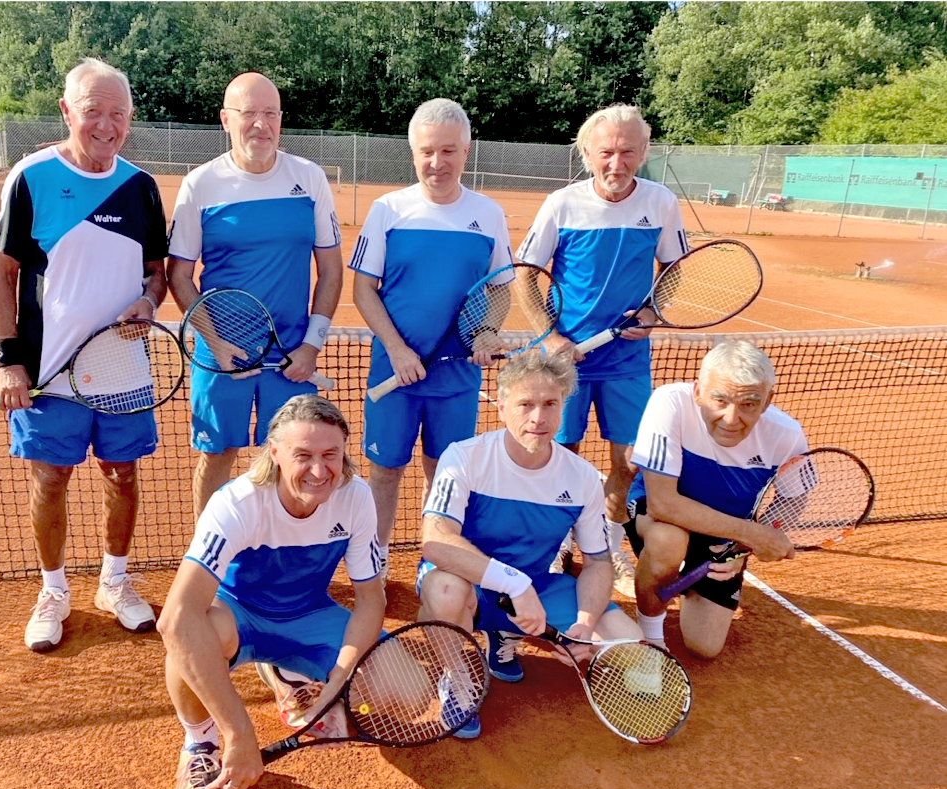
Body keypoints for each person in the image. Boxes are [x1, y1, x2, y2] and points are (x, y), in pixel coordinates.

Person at [0, 58, 168, 653]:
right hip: (48, 373)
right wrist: (10, 361)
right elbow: (2, 273)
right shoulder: (32, 177)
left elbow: (156, 271)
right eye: (93, 111)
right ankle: (54, 591)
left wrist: (149, 301)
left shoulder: (141, 187)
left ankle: (114, 582)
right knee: (50, 481)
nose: (106, 125)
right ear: (67, 111)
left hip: (123, 371)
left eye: (118, 113)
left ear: (130, 118)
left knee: (123, 476)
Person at [158, 395, 385, 789]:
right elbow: (176, 619)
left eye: (331, 455)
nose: (319, 470)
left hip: (309, 614)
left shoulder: (356, 497)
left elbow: (371, 601)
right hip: (238, 615)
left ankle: (291, 674)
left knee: (406, 694)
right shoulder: (237, 503)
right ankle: (200, 744)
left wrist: (339, 678)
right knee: (190, 636)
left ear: (344, 452)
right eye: (303, 455)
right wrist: (238, 733)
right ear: (275, 453)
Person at [417, 349, 643, 740]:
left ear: (563, 407)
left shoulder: (582, 478)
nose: (538, 418)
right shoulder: (465, 458)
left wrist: (585, 624)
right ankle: (457, 677)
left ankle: (504, 634)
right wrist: (515, 586)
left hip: (535, 589)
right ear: (502, 407)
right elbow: (436, 541)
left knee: (631, 643)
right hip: (471, 583)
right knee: (445, 589)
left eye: (550, 404)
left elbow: (598, 563)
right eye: (526, 404)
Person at [515, 104, 688, 597]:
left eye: (628, 151)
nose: (617, 163)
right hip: (565, 363)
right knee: (556, 455)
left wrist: (654, 311)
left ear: (644, 152)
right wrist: (551, 335)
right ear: (587, 153)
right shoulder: (561, 204)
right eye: (606, 152)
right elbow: (526, 273)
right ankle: (557, 542)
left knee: (628, 461)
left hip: (626, 362)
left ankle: (609, 547)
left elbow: (674, 266)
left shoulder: (660, 203)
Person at [167, 72, 343, 519]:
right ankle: (208, 549)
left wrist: (311, 346)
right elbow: (180, 276)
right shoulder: (200, 185)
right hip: (220, 354)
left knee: (289, 461)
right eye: (249, 113)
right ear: (226, 119)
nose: (261, 124)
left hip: (291, 356)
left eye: (271, 113)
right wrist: (216, 342)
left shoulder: (309, 178)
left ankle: (277, 547)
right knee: (217, 456)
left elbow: (330, 271)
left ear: (281, 120)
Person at [350, 98, 513, 565]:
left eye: (448, 151)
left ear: (466, 151)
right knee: (384, 472)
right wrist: (398, 350)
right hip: (394, 372)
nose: (436, 162)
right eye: (427, 151)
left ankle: (436, 562)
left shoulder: (488, 215)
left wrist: (487, 331)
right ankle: (375, 562)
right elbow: (363, 290)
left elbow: (501, 288)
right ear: (413, 152)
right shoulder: (388, 209)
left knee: (443, 474)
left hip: (457, 377)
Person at [626, 341, 807, 659]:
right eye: (720, 400)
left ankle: (685, 578)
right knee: (669, 540)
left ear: (767, 402)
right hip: (659, 518)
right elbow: (662, 504)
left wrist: (743, 548)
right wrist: (753, 534)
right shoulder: (671, 402)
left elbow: (795, 497)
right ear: (698, 392)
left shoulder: (786, 434)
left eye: (749, 404)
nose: (731, 418)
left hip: (724, 537)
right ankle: (651, 640)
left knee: (704, 647)